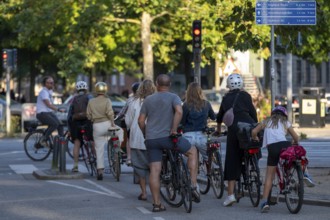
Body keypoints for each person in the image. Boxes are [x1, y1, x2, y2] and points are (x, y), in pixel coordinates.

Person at [138, 74, 200, 212]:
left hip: (152, 139)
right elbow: (179, 111)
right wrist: (173, 129)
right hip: (169, 138)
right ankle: (193, 184)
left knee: (155, 170)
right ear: (170, 84)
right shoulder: (174, 97)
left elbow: (141, 120)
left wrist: (145, 133)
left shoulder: (148, 99)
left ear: (156, 84)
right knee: (192, 151)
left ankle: (157, 204)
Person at [214, 73, 258, 207]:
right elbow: (253, 113)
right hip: (249, 126)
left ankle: (230, 195)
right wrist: (254, 126)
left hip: (234, 129)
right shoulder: (246, 96)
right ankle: (253, 164)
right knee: (253, 147)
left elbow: (220, 117)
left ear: (228, 84)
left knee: (232, 159)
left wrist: (219, 129)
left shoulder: (226, 98)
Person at [251, 106, 300, 213]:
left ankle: (264, 202)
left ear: (272, 114)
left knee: (269, 176)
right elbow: (296, 137)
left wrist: (255, 138)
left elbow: (254, 132)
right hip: (285, 145)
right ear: (284, 115)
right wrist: (293, 142)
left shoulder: (266, 121)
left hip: (273, 147)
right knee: (289, 163)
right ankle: (293, 179)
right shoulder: (285, 122)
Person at [125, 79, 156, 201]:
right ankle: (156, 194)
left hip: (137, 138)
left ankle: (144, 193)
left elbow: (128, 121)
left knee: (139, 167)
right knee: (154, 166)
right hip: (154, 136)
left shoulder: (134, 102)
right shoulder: (156, 101)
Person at [87, 82, 123, 180]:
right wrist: (112, 122)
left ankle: (100, 171)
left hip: (96, 126)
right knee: (120, 131)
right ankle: (117, 146)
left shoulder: (91, 101)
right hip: (107, 124)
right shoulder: (107, 100)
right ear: (105, 90)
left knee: (99, 149)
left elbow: (88, 115)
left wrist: (93, 119)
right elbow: (110, 113)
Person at [181, 82, 216, 160]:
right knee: (209, 157)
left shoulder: (186, 105)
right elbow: (213, 117)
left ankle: (191, 171)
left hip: (188, 136)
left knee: (190, 157)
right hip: (202, 135)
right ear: (200, 91)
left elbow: (182, 121)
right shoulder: (206, 104)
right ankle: (211, 170)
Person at [67, 81, 94, 172]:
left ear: (77, 89)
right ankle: (96, 160)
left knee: (77, 143)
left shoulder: (74, 99)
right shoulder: (89, 97)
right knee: (92, 140)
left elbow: (69, 116)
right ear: (86, 89)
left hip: (76, 123)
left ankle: (75, 165)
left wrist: (69, 129)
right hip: (87, 121)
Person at [36, 76, 65, 146]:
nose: (52, 84)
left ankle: (62, 144)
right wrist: (58, 109)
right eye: (50, 83)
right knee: (54, 124)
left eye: (52, 82)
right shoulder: (43, 92)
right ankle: (43, 140)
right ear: (46, 84)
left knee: (60, 125)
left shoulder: (49, 91)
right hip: (42, 114)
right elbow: (48, 105)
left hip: (48, 113)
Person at [116, 82, 140, 166]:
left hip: (132, 124)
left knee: (129, 139)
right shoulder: (145, 99)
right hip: (143, 124)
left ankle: (129, 158)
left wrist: (117, 117)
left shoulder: (130, 100)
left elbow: (123, 111)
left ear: (133, 91)